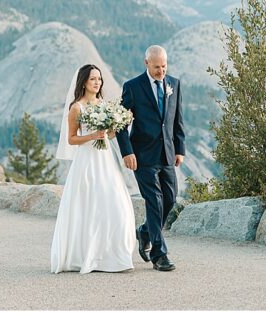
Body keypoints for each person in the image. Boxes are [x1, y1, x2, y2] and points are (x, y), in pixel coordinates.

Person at [50, 64, 136, 273]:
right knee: (89, 207)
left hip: (106, 159)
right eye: (92, 79)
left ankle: (114, 255)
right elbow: (71, 139)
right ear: (83, 82)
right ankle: (88, 255)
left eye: (99, 79)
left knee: (116, 205)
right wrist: (92, 136)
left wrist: (121, 123)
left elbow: (109, 135)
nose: (97, 82)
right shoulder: (76, 108)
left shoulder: (104, 104)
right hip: (87, 161)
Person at [116, 45, 185, 272]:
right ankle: (159, 254)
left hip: (167, 153)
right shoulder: (133, 87)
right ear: (146, 63)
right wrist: (127, 152)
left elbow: (177, 121)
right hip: (142, 155)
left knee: (170, 199)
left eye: (164, 66)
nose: (161, 71)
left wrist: (179, 149)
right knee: (154, 200)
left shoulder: (174, 84)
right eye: (157, 67)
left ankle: (144, 231)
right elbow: (120, 124)